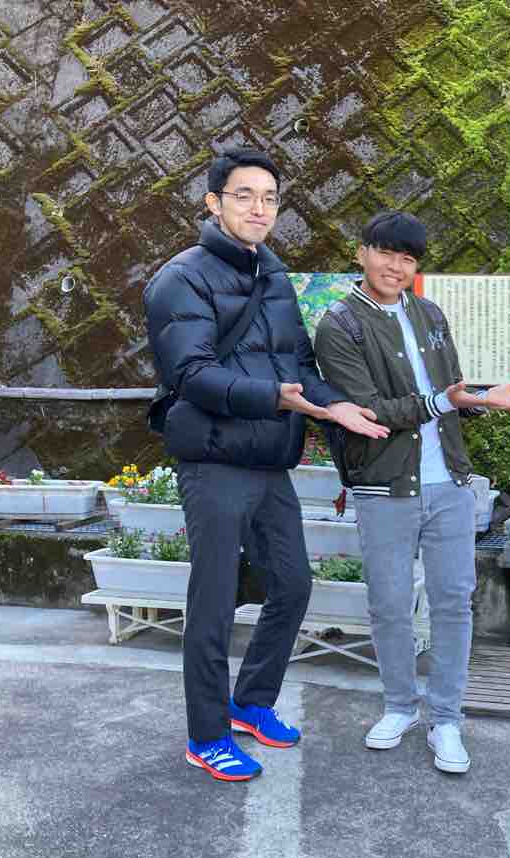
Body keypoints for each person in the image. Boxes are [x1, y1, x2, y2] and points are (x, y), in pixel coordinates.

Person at [144, 148, 389, 782]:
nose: (259, 208)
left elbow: (300, 365)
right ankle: (206, 735)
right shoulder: (180, 278)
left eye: (270, 198)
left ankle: (251, 702)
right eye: (244, 195)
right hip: (214, 459)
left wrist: (335, 407)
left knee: (292, 584)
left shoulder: (273, 274)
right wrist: (272, 397)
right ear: (213, 203)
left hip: (269, 458)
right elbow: (191, 373)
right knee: (214, 599)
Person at [312, 210, 510, 775]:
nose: (396, 266)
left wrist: (478, 400)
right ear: (362, 252)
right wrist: (445, 402)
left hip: (451, 483)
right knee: (389, 603)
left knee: (453, 602)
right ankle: (398, 706)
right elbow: (368, 410)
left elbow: (450, 392)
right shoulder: (339, 324)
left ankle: (447, 719)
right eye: (386, 253)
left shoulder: (430, 313)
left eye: (408, 258)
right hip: (383, 484)